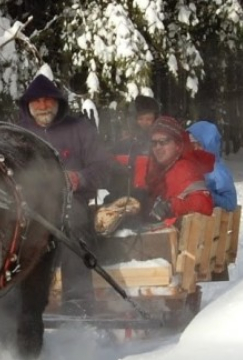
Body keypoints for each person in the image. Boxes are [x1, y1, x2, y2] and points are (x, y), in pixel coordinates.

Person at [17, 74, 109, 315]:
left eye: (48, 100)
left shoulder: (79, 128)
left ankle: (77, 303)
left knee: (72, 224)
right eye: (36, 102)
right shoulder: (18, 133)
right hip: (27, 205)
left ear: (58, 102)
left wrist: (78, 178)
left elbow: (102, 167)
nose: (43, 106)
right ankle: (10, 306)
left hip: (70, 201)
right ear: (28, 105)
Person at [144, 116, 215, 223]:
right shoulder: (163, 168)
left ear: (178, 145)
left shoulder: (184, 169)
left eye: (163, 142)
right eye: (154, 143)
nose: (157, 147)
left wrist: (171, 206)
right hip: (171, 233)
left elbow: (203, 203)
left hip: (179, 237)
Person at [106, 95, 161, 201]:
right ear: (133, 119)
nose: (144, 123)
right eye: (140, 119)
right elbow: (105, 165)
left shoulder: (159, 144)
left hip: (150, 200)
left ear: (155, 120)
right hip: (121, 198)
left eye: (148, 119)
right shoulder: (122, 145)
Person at [187, 121, 238, 211]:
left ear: (208, 145)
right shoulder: (190, 166)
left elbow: (231, 203)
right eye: (191, 145)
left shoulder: (218, 171)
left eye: (198, 144)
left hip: (209, 222)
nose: (194, 149)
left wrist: (207, 195)